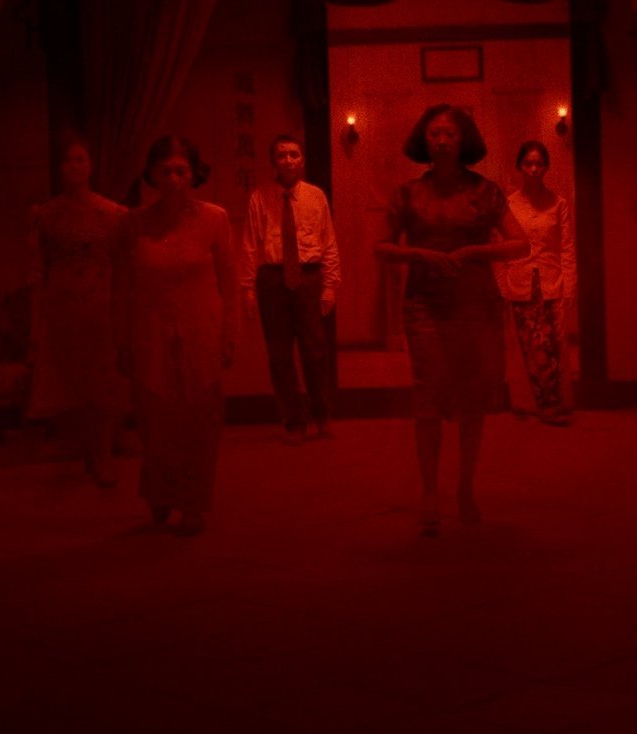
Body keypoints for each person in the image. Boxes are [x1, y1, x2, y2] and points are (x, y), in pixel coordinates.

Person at [374, 105, 530, 536]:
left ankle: (465, 487)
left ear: (465, 140)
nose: (442, 141)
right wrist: (418, 254)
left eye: (450, 134)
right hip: (424, 303)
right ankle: (429, 492)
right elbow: (381, 248)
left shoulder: (484, 191)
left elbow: (521, 243)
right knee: (427, 398)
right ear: (423, 140)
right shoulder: (408, 193)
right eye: (434, 134)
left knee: (471, 398)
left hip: (475, 304)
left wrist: (475, 252)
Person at [112, 136, 236, 536]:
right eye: (165, 171)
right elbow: (121, 287)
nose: (174, 179)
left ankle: (194, 502)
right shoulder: (133, 224)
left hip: (201, 332)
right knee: (156, 421)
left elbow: (229, 282)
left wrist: (229, 335)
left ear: (194, 174)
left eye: (181, 170)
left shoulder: (214, 219)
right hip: (151, 334)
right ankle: (161, 495)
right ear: (152, 174)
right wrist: (122, 341)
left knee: (200, 420)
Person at [26, 136, 128, 487]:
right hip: (63, 306)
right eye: (68, 160)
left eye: (81, 159)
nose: (74, 166)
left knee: (105, 383)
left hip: (101, 304)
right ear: (59, 168)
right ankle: (88, 452)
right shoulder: (46, 215)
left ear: (91, 165)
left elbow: (123, 265)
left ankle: (104, 455)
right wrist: (37, 322)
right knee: (75, 385)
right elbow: (38, 269)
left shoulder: (112, 214)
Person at [241, 134, 340, 444]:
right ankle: (294, 421)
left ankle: (322, 414)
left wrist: (330, 285)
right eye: (281, 155)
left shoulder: (316, 196)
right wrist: (247, 289)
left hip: (308, 277)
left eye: (293, 154)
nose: (288, 160)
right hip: (272, 278)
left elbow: (328, 241)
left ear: (302, 159)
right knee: (279, 354)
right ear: (273, 161)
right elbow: (249, 244)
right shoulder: (259, 197)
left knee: (315, 350)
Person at [498, 140, 577, 427]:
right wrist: (502, 285)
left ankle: (551, 401)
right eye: (528, 163)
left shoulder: (558, 203)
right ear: (519, 167)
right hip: (519, 282)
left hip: (551, 281)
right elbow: (500, 248)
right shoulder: (509, 205)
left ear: (546, 167)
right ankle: (534, 402)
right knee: (529, 344)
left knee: (551, 343)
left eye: (539, 163)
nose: (533, 169)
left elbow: (566, 246)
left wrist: (569, 285)